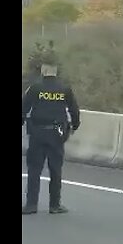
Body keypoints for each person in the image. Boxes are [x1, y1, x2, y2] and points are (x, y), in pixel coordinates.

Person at [21, 49, 80, 214]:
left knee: (34, 169)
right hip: (57, 134)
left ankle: (31, 205)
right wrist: (75, 126)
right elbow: (74, 110)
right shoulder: (65, 89)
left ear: (44, 70)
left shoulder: (35, 88)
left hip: (37, 133)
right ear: (55, 70)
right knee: (55, 169)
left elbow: (23, 108)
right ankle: (55, 205)